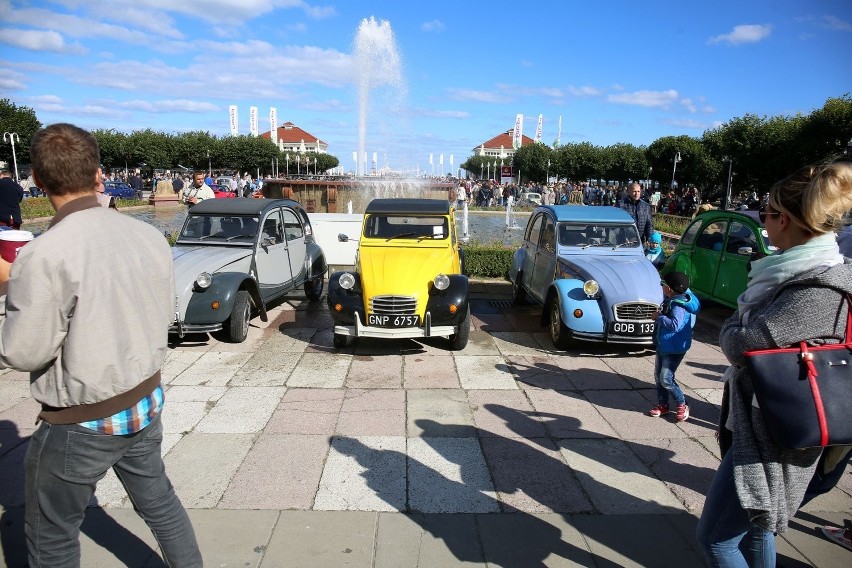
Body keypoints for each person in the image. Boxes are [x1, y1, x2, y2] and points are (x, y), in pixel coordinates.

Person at [0, 123, 202, 566]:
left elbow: (22, 352)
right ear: (97, 175)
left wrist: (14, 287)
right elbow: (162, 312)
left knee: (51, 536)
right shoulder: (147, 236)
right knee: (161, 504)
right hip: (144, 400)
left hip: (81, 420)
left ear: (36, 178)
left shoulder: (44, 253)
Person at [696, 162, 852, 567]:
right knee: (756, 528)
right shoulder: (803, 273)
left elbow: (740, 343)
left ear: (782, 219)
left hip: (774, 434)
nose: (762, 220)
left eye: (764, 212)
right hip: (771, 422)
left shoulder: (815, 288)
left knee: (716, 539)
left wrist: (734, 321)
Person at [648, 271, 700, 422]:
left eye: (663, 284)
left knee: (666, 378)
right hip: (664, 344)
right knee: (659, 377)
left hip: (674, 347)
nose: (661, 287)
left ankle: (682, 403)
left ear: (670, 288)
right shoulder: (674, 298)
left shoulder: (679, 305)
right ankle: (663, 405)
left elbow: (675, 325)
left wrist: (659, 317)